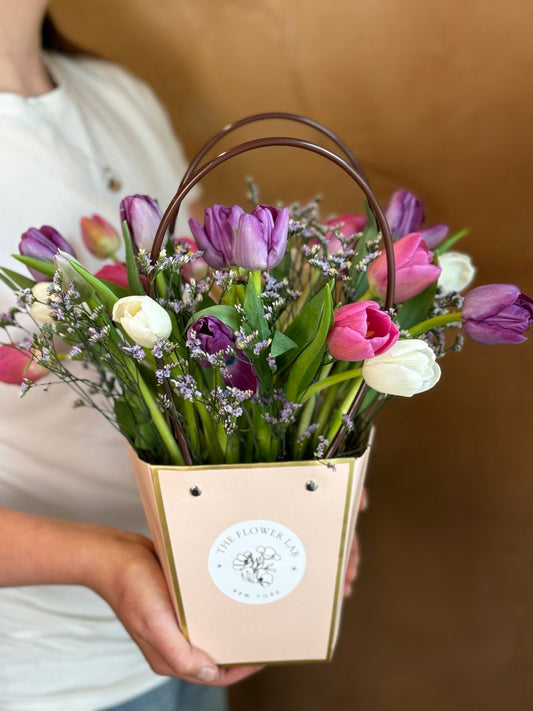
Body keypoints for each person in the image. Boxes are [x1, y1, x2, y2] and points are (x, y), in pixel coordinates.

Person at [0, 2, 362, 709]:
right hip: (40, 672)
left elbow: (209, 346)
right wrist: (103, 562)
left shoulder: (116, 94)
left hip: (195, 627)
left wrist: (317, 486)